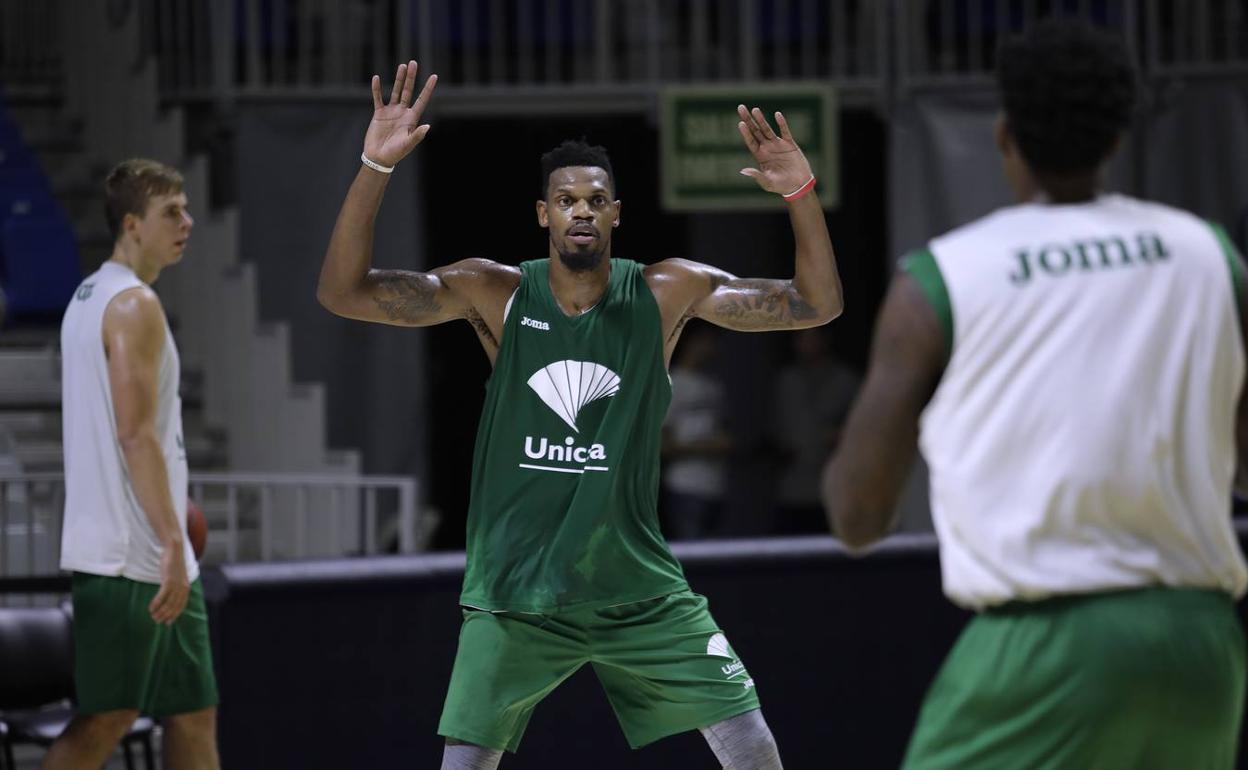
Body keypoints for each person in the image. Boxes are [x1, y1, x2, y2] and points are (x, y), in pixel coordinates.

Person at [317, 61, 842, 769]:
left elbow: (817, 305)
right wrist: (374, 165)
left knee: (751, 744)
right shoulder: (494, 292)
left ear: (617, 212)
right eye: (567, 200)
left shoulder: (664, 292)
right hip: (516, 593)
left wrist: (801, 194)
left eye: (596, 198)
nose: (583, 210)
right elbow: (343, 293)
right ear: (544, 215)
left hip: (637, 590)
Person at [821, 20, 1247, 769]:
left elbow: (858, 518)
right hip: (1200, 645)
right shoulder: (1208, 253)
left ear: (1004, 135)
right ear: (1118, 137)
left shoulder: (942, 278)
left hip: (1043, 646)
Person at [49, 159, 220, 770]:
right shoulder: (132, 305)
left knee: (193, 715)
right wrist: (173, 541)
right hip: (132, 556)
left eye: (186, 208)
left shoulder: (89, 295)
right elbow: (134, 434)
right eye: (170, 212)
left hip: (157, 553)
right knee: (107, 719)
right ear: (131, 225)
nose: (187, 222)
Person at [770, 327, 858, 534]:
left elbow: (865, 424)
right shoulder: (786, 381)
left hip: (832, 482)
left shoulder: (845, 380)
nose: (805, 344)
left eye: (811, 338)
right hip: (792, 484)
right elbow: (774, 426)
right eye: (800, 338)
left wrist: (842, 436)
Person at [661, 324, 733, 540]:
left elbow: (724, 432)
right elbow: (661, 443)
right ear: (692, 343)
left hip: (716, 485)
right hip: (684, 485)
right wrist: (707, 447)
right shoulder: (673, 381)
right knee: (691, 556)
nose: (713, 348)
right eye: (707, 341)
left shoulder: (713, 384)